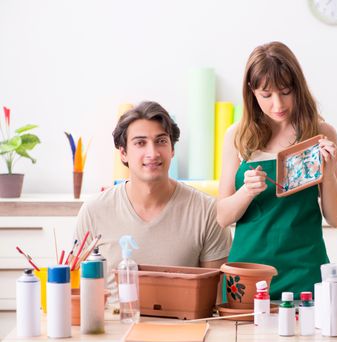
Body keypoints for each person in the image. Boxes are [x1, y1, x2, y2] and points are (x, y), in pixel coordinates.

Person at [217, 42, 337, 299]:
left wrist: (329, 172)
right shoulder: (238, 136)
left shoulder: (321, 133)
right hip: (247, 275)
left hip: (305, 271)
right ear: (252, 91)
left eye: (286, 92)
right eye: (267, 95)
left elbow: (336, 218)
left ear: (298, 87)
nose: (278, 104)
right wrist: (246, 192)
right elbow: (222, 216)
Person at [75, 101, 232, 299]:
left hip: (184, 328)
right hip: (114, 326)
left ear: (172, 149)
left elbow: (215, 301)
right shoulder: (94, 210)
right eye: (140, 143)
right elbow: (78, 293)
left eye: (161, 141)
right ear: (123, 153)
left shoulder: (207, 211)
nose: (153, 153)